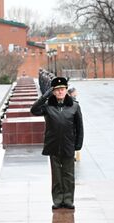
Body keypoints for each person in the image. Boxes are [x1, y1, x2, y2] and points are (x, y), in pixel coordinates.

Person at [31, 76, 84, 210]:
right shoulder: (48, 106)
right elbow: (34, 110)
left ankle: (68, 200)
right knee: (56, 175)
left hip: (68, 145)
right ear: (53, 92)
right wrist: (45, 96)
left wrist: (78, 144)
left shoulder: (74, 106)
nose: (60, 92)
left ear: (66, 90)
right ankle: (58, 200)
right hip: (53, 145)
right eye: (57, 90)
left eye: (62, 89)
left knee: (68, 175)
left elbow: (79, 127)